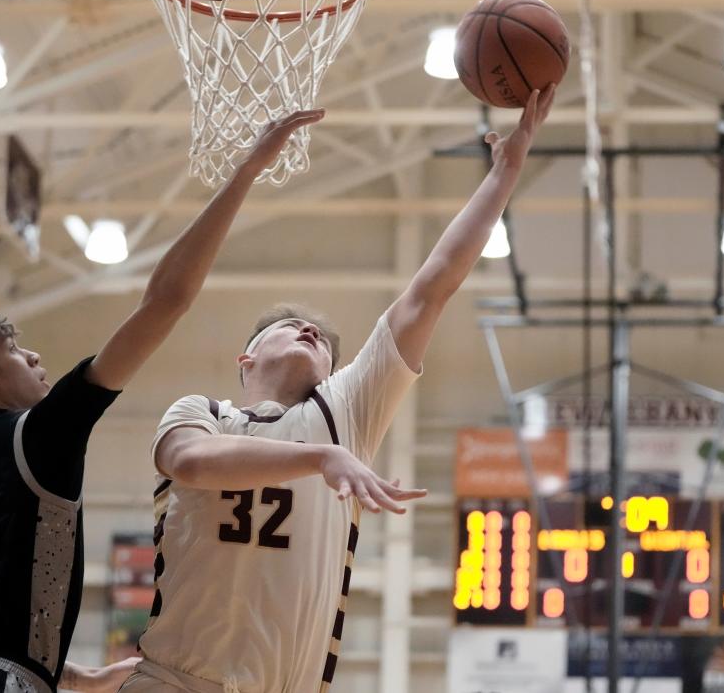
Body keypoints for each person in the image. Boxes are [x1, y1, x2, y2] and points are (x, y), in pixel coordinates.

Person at [127, 86, 556, 693]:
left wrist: (506, 174)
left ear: (332, 373)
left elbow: (429, 290)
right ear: (245, 358)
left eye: (322, 339)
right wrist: (320, 458)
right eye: (288, 327)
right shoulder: (203, 412)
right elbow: (190, 462)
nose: (308, 331)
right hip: (172, 682)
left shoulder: (345, 412)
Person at [0, 110, 326, 693]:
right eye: (15, 351)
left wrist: (70, 677)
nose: (34, 359)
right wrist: (249, 169)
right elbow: (166, 301)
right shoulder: (38, 434)